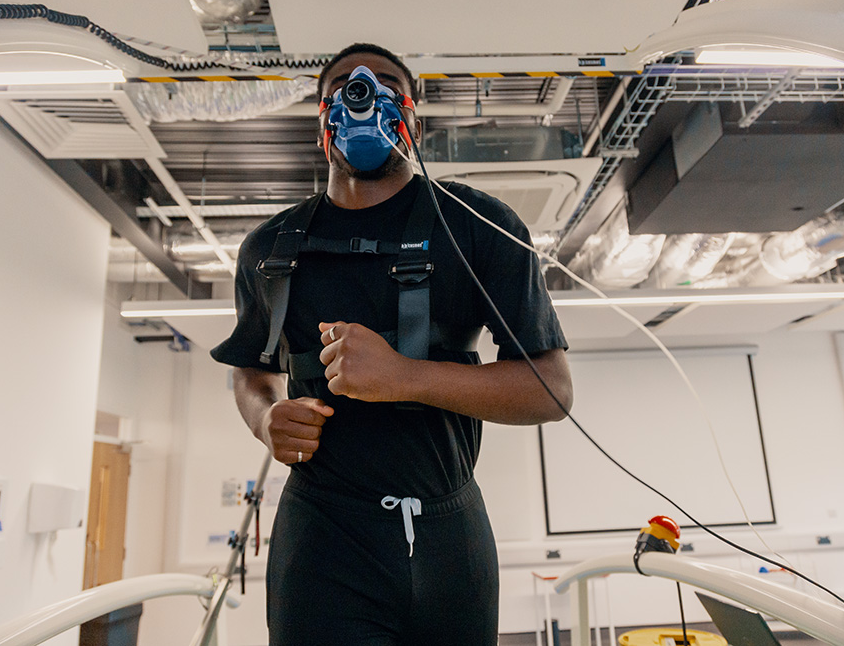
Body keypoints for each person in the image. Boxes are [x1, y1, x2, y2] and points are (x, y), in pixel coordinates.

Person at [211, 42, 573, 646]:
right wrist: (264, 417)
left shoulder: (480, 226)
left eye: (384, 82)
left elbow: (552, 391)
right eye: (343, 87)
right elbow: (249, 371)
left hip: (449, 534)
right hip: (322, 539)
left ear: (413, 121)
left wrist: (405, 376)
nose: (362, 92)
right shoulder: (270, 249)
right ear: (322, 121)